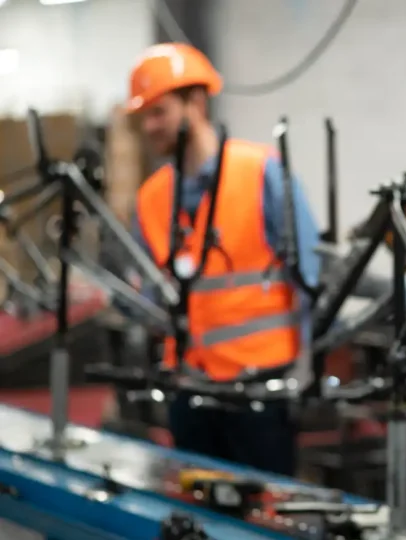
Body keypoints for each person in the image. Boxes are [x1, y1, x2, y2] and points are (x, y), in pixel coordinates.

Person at [124, 43, 320, 476]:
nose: (149, 127)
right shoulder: (151, 197)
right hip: (188, 390)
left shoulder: (262, 173)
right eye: (144, 117)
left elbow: (310, 279)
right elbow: (157, 293)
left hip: (261, 393)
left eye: (159, 112)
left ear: (196, 102)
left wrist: (305, 376)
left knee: (266, 516)